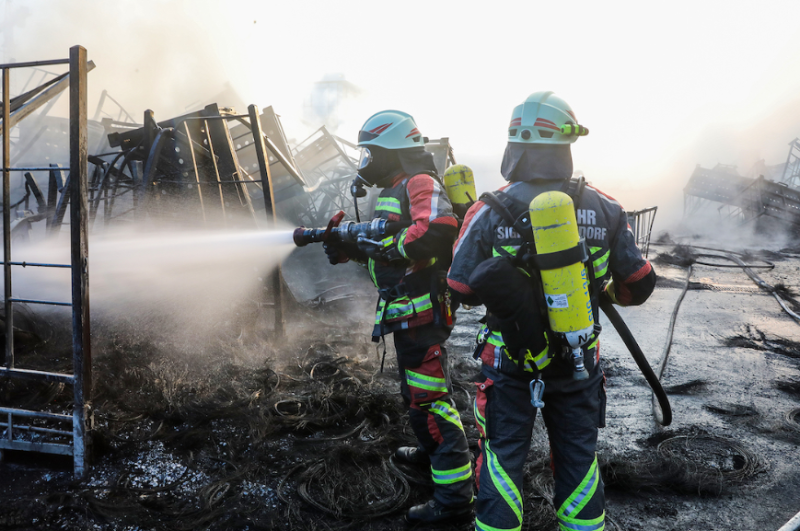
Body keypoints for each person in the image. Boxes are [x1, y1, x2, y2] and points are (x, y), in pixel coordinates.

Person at [447, 92, 656, 531]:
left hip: (510, 363)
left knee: (502, 459)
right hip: (577, 359)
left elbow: (461, 288)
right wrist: (598, 290)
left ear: (515, 144)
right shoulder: (605, 206)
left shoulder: (486, 209)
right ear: (566, 144)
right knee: (579, 461)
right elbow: (639, 285)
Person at [323, 110, 474, 524]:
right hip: (407, 313)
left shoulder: (419, 181)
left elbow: (437, 229)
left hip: (423, 313)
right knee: (415, 395)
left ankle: (454, 500)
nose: (365, 161)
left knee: (431, 402)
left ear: (392, 151)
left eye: (370, 152)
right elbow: (393, 249)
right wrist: (351, 250)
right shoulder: (394, 188)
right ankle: (431, 454)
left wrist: (383, 246)